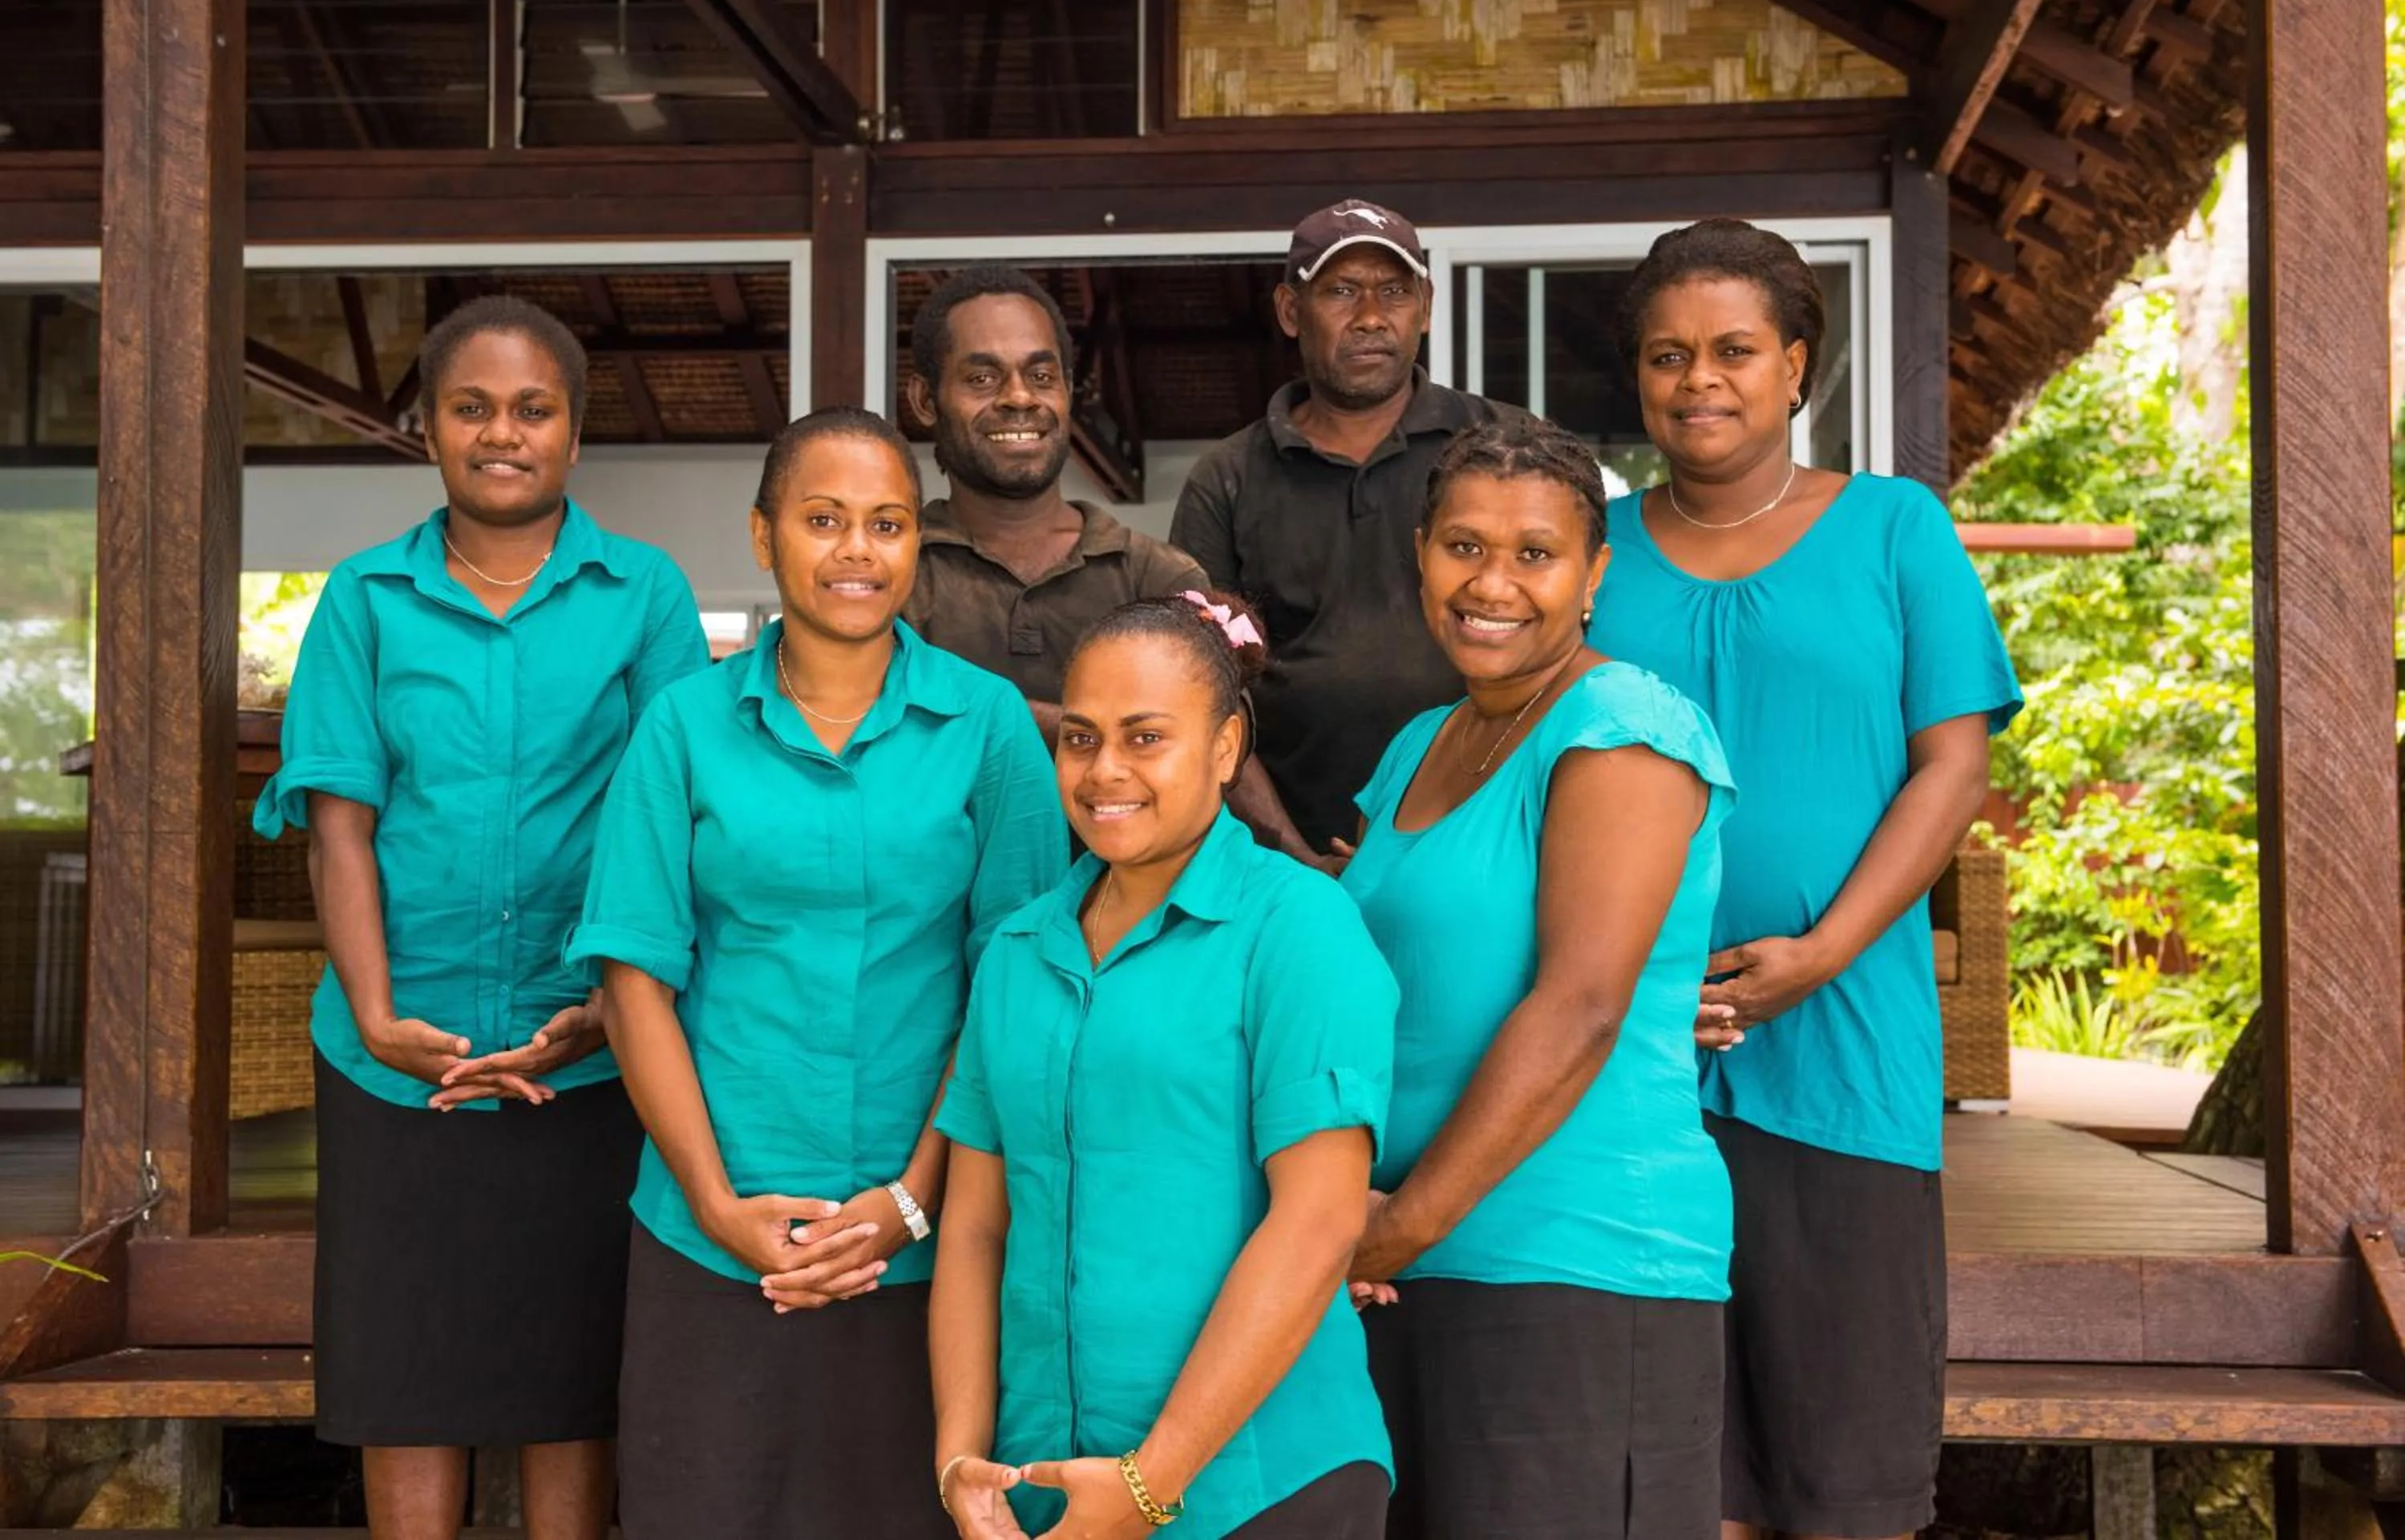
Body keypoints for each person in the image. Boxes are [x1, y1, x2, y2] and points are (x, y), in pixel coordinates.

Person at [1587, 217, 2023, 1540]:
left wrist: (1826, 949)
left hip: (1843, 1047)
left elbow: (1951, 765)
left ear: (1796, 368)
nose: (1697, 380)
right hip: (1626, 1059)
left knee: (1846, 1478)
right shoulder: (1592, 550)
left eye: (1732, 350)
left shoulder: (1896, 528)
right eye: (1668, 355)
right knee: (1676, 1473)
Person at [253, 295, 709, 1540]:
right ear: (429, 427)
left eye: (532, 408)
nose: (502, 432)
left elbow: (671, 821)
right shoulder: (363, 600)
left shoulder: (645, 594)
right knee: (408, 1375)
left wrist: (605, 1011)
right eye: (472, 407)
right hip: (396, 1059)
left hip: (592, 1050)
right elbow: (340, 822)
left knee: (572, 1371)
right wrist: (378, 1011)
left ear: (573, 428)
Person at [567, 406, 1067, 1540]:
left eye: (887, 523)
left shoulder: (987, 724)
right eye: (824, 520)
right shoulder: (682, 724)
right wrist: (711, 1199)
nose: (856, 550)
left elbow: (1014, 985)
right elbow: (635, 973)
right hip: (713, 1231)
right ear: (763, 537)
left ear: (916, 546)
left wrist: (911, 1198)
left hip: (925, 1240)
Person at [1341, 417, 1737, 1540]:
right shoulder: (1421, 741)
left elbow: (1580, 1007)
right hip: (1407, 1265)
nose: (1493, 584)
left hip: (1577, 1263)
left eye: (1535, 553)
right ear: (1419, 552)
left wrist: (1390, 1229)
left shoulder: (1625, 730)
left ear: (1594, 572)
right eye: (1464, 546)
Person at [930, 592, 1398, 1540]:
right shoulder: (1020, 950)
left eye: (1147, 738)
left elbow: (1319, 1221)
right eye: (1082, 739)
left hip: (1258, 1485)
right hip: (1041, 1490)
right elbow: (978, 1226)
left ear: (1226, 748)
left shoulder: (1298, 927)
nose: (1106, 771)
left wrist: (1150, 1485)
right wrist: (960, 1462)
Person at [1171, 198, 1522, 869]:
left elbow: (1562, 649)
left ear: (1425, 304)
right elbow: (1202, 692)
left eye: (1393, 291)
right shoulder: (1229, 477)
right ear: (1289, 311)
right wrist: (1292, 856)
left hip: (1489, 847)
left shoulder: (1506, 448)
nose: (1370, 317)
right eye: (1340, 291)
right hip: (1282, 860)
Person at [902, 264, 1208, 742]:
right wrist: (1103, 729)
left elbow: (1207, 740)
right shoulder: (892, 574)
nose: (1020, 397)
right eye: (982, 378)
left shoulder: (1158, 576)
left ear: (1067, 391)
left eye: (1042, 375)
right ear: (925, 400)